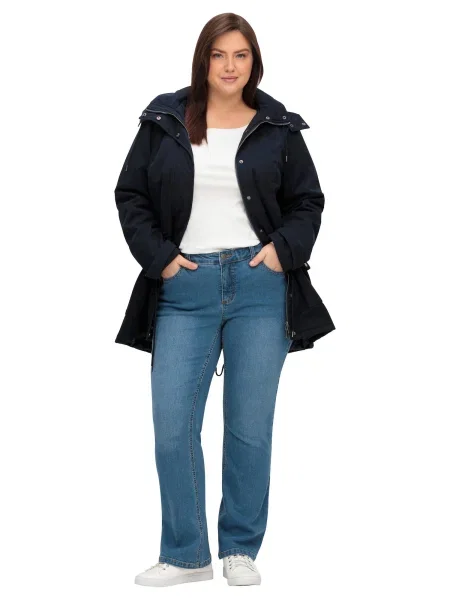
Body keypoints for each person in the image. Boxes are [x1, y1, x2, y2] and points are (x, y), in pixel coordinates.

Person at [114, 12, 335, 588]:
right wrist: (161, 257)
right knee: (172, 427)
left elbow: (308, 201)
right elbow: (130, 194)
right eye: (219, 55)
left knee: (248, 429)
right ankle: (186, 554)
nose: (230, 66)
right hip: (183, 290)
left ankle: (239, 547)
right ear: (203, 59)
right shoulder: (165, 119)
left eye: (240, 55)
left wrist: (282, 250)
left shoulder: (277, 125)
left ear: (253, 61)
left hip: (260, 289)